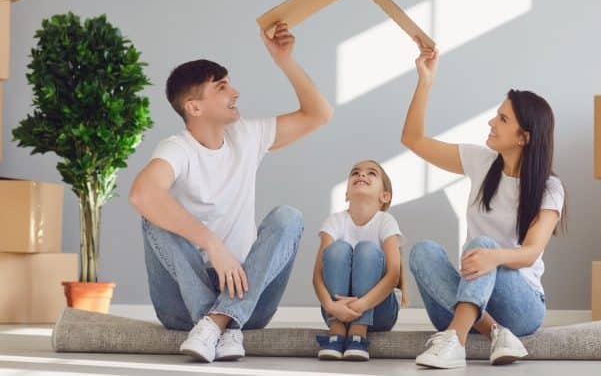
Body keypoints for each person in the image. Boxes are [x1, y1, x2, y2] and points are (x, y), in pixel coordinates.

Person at [129, 23, 333, 363]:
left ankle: (217, 323)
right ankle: (222, 323)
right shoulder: (177, 148)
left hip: (246, 294)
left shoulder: (247, 135)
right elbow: (142, 194)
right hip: (180, 302)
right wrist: (212, 243)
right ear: (194, 107)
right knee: (152, 218)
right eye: (222, 87)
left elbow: (319, 114)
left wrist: (284, 60)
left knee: (289, 217)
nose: (235, 92)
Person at [401, 43, 565, 369]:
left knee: (481, 246)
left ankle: (454, 340)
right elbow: (413, 140)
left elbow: (530, 252)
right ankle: (491, 333)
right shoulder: (481, 161)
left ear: (524, 137)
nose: (492, 122)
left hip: (521, 305)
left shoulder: (549, 188)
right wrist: (425, 81)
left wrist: (493, 256)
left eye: (503, 119)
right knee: (422, 251)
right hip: (471, 294)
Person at [312, 160, 407, 361]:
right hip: (335, 311)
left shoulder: (386, 222)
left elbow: (393, 275)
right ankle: (337, 332)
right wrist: (331, 307)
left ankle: (358, 332)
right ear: (347, 193)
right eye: (355, 172)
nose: (361, 175)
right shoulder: (334, 221)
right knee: (337, 249)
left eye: (371, 173)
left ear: (385, 196)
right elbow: (317, 277)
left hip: (379, 310)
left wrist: (361, 306)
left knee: (366, 249)